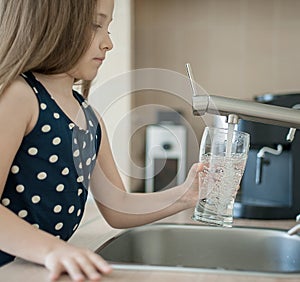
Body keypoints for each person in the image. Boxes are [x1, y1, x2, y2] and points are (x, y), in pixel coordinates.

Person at [0, 0, 201, 281]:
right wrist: (52, 250)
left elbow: (117, 204)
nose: (108, 43)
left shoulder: (89, 117)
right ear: (48, 23)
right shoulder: (19, 97)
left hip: (36, 269)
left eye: (108, 28)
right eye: (96, 25)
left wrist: (186, 194)